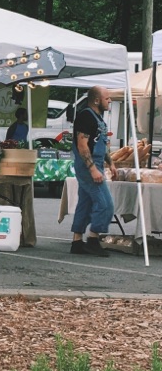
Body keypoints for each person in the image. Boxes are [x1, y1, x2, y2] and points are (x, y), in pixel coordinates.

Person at [70, 85, 115, 257]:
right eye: (107, 98)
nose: (109, 100)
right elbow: (82, 146)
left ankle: (77, 242)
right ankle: (94, 239)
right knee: (105, 204)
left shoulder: (98, 118)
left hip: (95, 165)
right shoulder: (85, 117)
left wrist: (110, 163)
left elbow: (100, 143)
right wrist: (93, 170)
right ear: (96, 100)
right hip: (87, 167)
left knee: (86, 203)